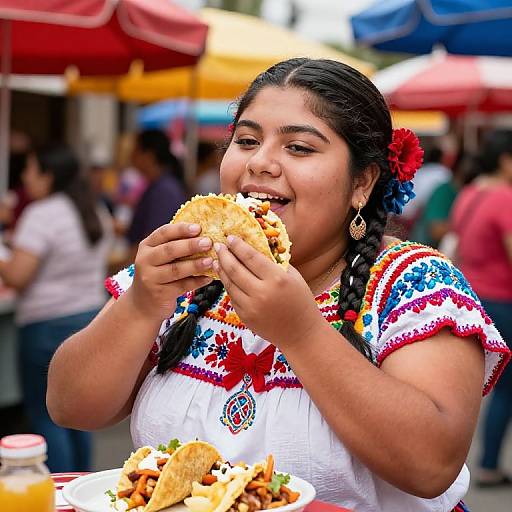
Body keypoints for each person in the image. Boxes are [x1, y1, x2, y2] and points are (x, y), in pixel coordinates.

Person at [46, 59, 510, 511]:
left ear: (362, 184)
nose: (261, 163)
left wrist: (301, 333)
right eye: (246, 140)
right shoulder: (185, 273)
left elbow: (432, 466)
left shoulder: (414, 283)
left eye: (299, 148)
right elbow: (71, 406)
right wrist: (143, 303)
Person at [0, 145, 112, 472]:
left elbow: (18, 276)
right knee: (81, 415)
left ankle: (60, 491)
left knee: (48, 414)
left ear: (49, 175)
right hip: (90, 317)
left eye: (30, 170)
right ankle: (81, 486)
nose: (24, 177)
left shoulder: (42, 214)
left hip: (45, 326)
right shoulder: (93, 208)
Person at [450, 130, 512, 488]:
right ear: (506, 161)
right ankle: (489, 463)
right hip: (503, 301)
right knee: (505, 390)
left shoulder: (471, 191)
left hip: (473, 298)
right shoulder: (504, 197)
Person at [126, 129, 188, 261]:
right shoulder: (160, 186)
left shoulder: (164, 190)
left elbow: (154, 240)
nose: (130, 155)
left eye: (135, 150)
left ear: (149, 155)